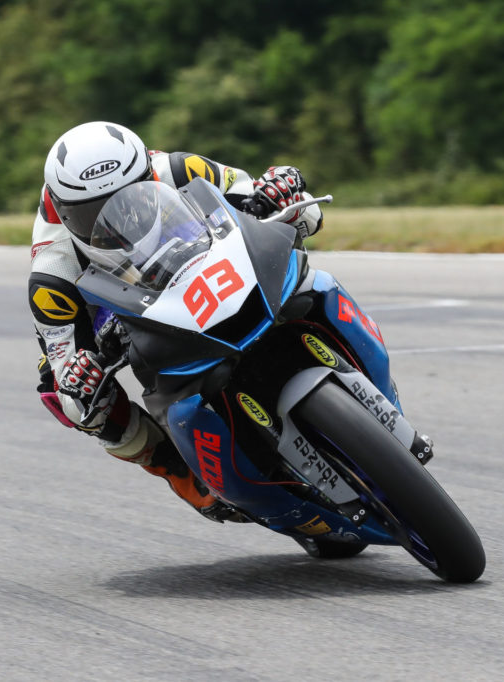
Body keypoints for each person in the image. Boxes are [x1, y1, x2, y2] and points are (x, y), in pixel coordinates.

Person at [28, 121, 323, 522]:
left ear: (146, 174)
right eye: (91, 214)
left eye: (128, 198)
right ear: (64, 214)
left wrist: (280, 192)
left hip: (198, 262)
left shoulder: (178, 169)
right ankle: (178, 469)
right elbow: (66, 375)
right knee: (70, 401)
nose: (116, 219)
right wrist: (80, 374)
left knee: (296, 228)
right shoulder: (53, 269)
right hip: (111, 305)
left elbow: (291, 206)